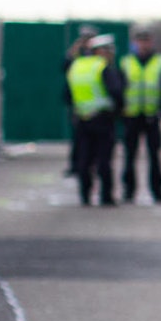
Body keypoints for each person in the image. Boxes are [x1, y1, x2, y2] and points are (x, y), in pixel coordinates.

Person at [65, 33, 125, 206]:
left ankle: (85, 195)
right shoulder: (102, 67)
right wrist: (118, 112)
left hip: (82, 119)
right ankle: (106, 197)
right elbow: (116, 92)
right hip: (103, 119)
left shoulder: (76, 66)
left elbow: (67, 95)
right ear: (101, 51)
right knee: (104, 160)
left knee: (84, 160)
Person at [120, 26, 161, 204]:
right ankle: (129, 191)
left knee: (155, 156)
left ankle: (157, 192)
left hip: (152, 117)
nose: (143, 45)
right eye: (140, 41)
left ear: (151, 42)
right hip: (132, 115)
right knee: (130, 155)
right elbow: (120, 88)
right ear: (135, 43)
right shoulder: (126, 62)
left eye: (146, 41)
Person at [63, 23, 99, 178]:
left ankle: (92, 164)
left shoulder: (98, 54)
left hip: (96, 102)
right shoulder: (76, 54)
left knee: (96, 140)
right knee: (78, 138)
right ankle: (76, 165)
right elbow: (65, 66)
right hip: (78, 102)